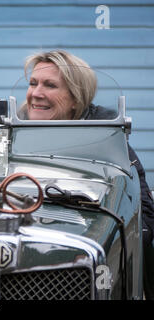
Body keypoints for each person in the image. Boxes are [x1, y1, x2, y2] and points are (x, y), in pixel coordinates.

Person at [18, 49, 154, 299]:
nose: (36, 94)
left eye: (50, 85)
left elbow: (140, 205)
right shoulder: (10, 130)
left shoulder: (109, 136)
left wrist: (121, 249)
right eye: (33, 83)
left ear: (75, 99)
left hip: (79, 259)